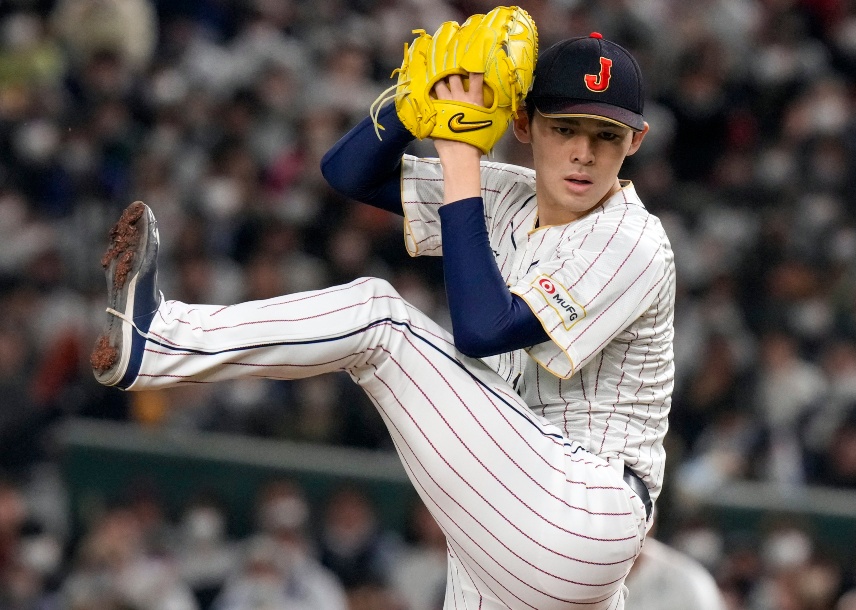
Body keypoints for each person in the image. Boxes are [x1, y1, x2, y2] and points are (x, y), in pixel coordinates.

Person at [89, 12, 673, 610]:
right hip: (506, 523)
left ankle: (159, 341)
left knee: (381, 321)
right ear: (524, 124)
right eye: (566, 128)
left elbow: (482, 332)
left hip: (585, 514)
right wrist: (414, 102)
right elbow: (348, 172)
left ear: (636, 141)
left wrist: (461, 154)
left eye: (605, 135)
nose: (583, 152)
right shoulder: (509, 196)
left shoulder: (628, 238)